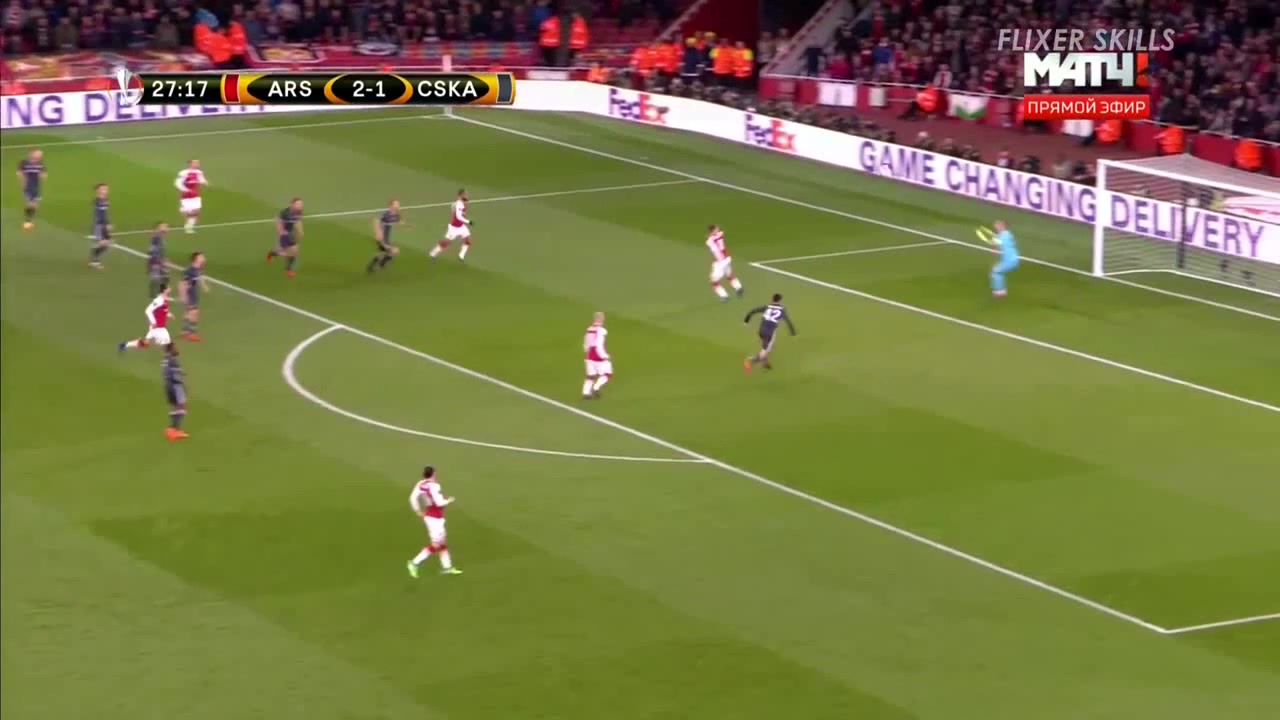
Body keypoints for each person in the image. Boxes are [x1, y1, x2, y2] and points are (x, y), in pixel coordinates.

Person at [407, 466, 462, 577]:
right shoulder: (434, 486)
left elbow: (412, 498)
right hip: (435, 519)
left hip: (431, 516)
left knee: (442, 543)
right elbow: (439, 503)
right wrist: (448, 501)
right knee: (436, 545)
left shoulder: (421, 484)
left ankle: (447, 567)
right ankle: (414, 563)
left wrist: (418, 511)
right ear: (433, 474)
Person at [743, 293, 796, 372]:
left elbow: (753, 311)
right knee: (766, 349)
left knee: (769, 346)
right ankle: (750, 361)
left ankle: (764, 362)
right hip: (769, 332)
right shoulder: (782, 310)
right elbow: (788, 321)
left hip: (761, 330)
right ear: (780, 301)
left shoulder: (767, 307)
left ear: (772, 299)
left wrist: (746, 320)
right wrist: (793, 332)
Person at [988, 220, 1019, 298]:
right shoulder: (1007, 234)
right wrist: (994, 241)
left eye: (998, 225)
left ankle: (1000, 292)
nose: (996, 226)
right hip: (1012, 259)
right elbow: (997, 249)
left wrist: (993, 241)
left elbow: (995, 248)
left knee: (995, 272)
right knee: (996, 271)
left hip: (1010, 261)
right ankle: (1001, 291)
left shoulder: (1003, 236)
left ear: (1003, 227)